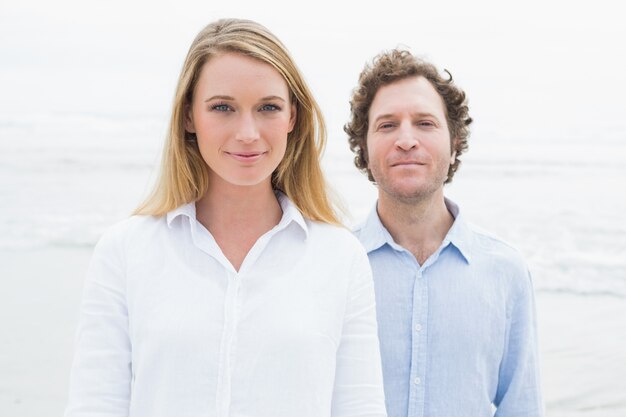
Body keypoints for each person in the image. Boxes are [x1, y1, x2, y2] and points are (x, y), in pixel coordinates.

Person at [64, 18, 386, 417]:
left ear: (293, 118)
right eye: (223, 108)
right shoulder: (125, 252)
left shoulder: (341, 258)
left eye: (268, 107)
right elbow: (95, 405)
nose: (248, 132)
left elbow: (360, 408)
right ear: (188, 117)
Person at [345, 49, 544, 417]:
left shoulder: (505, 270)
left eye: (425, 123)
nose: (406, 140)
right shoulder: (335, 263)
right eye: (387, 125)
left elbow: (522, 406)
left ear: (454, 144)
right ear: (364, 146)